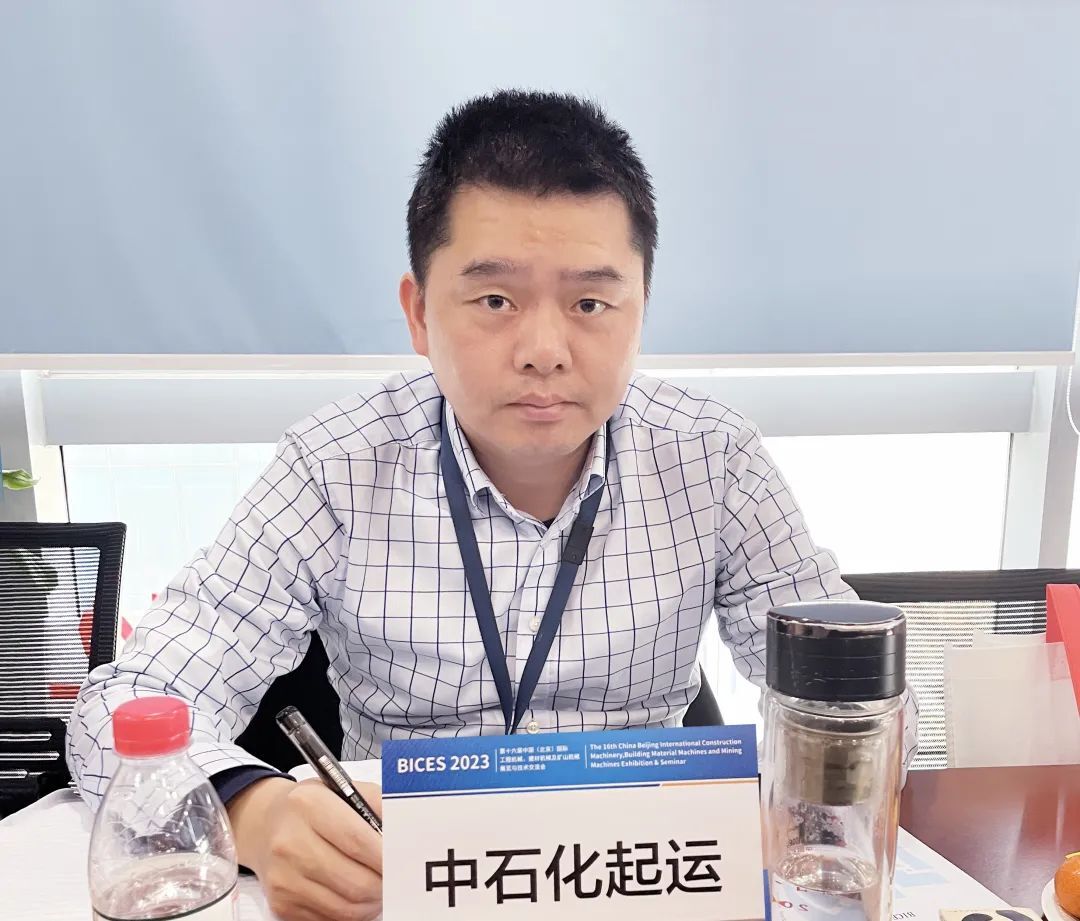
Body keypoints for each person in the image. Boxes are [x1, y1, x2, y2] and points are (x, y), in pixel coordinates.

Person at [68, 89, 918, 921]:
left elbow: (862, 706)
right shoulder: (334, 467)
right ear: (418, 313)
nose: (544, 350)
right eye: (495, 301)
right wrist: (253, 809)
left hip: (640, 875)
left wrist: (821, 801)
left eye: (591, 303)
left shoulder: (714, 459)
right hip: (401, 880)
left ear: (640, 312)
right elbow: (126, 700)